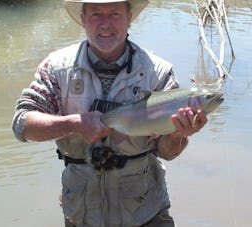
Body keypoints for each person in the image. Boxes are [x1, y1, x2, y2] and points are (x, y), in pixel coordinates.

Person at [11, 0, 208, 226]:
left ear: (129, 18)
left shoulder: (158, 72)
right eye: (96, 14)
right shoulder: (56, 68)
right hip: (81, 217)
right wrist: (73, 124)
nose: (105, 24)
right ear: (83, 19)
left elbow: (167, 152)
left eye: (114, 14)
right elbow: (21, 125)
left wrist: (177, 135)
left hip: (147, 214)